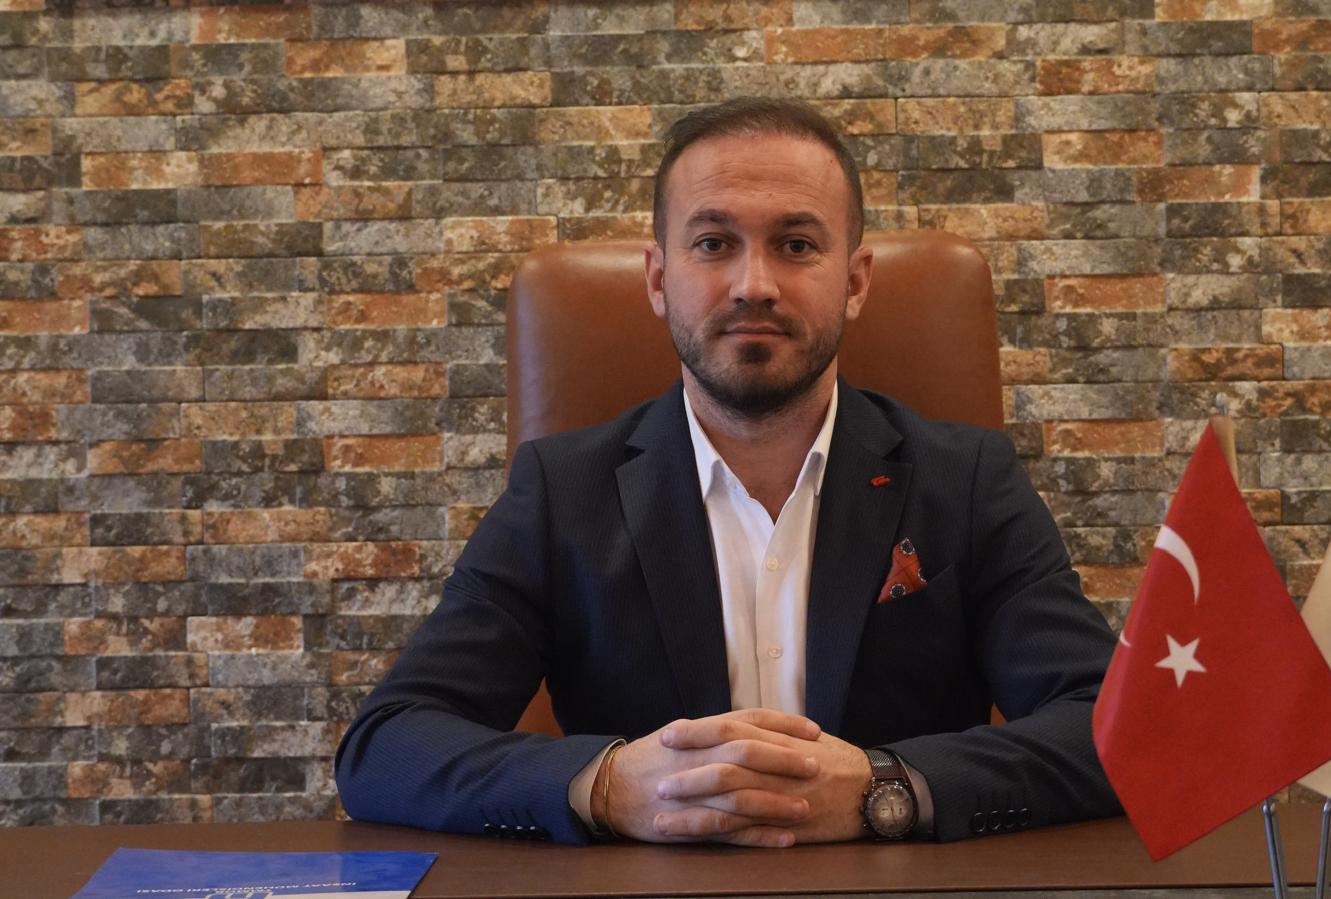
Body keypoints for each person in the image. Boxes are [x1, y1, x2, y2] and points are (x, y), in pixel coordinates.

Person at [334, 98, 1122, 848]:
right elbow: (388, 744)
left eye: (796, 245)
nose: (754, 284)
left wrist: (886, 787)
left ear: (854, 282)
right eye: (713, 243)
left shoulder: (968, 479)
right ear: (657, 279)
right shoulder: (561, 493)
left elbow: (1113, 726)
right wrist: (606, 785)